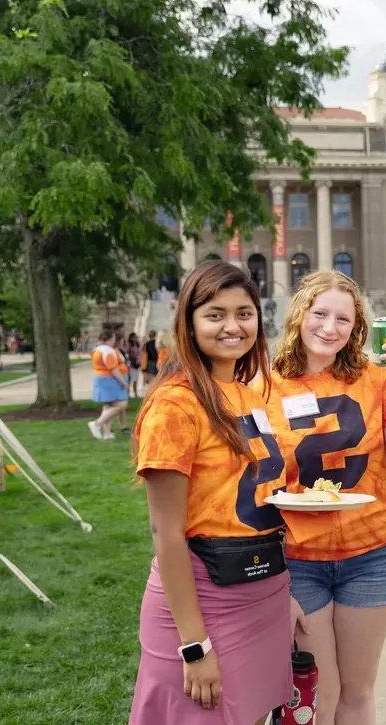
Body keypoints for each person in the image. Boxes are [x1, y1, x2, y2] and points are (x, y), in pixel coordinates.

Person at [129, 260, 306, 725]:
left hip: (263, 589)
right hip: (203, 601)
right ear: (189, 322)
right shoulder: (175, 404)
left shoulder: (249, 394)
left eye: (244, 313)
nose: (232, 326)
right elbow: (165, 533)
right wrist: (193, 644)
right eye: (215, 314)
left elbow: (255, 497)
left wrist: (280, 594)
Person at [266, 269, 386, 725]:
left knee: (358, 692)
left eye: (344, 319)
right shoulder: (266, 383)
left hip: (370, 554)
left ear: (357, 329)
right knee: (321, 690)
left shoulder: (375, 379)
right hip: (297, 556)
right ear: (300, 314)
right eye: (320, 314)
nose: (330, 327)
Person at [88, 329, 129, 440]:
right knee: (121, 405)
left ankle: (107, 433)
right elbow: (113, 368)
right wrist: (123, 382)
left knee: (108, 405)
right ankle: (97, 423)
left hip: (102, 379)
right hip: (109, 380)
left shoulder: (97, 349)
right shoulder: (108, 351)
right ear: (110, 339)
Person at [126, 333, 142, 399]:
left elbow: (140, 354)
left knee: (136, 379)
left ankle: (135, 393)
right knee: (130, 379)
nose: (135, 339)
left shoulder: (138, 345)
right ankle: (128, 393)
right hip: (131, 364)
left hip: (137, 364)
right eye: (134, 337)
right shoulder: (129, 345)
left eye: (136, 337)